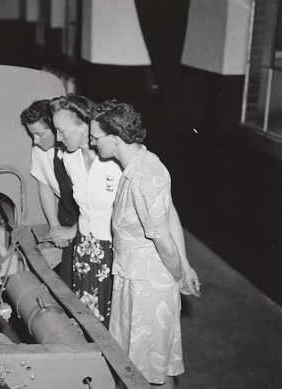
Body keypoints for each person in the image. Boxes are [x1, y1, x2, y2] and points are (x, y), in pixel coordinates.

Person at [90, 100, 200, 388]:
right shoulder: (140, 164)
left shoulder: (144, 175)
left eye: (95, 137)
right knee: (140, 364)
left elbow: (164, 243)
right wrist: (186, 265)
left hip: (148, 285)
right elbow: (170, 211)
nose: (92, 143)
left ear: (114, 139)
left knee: (153, 371)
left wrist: (179, 274)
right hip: (132, 277)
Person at [49, 93, 123, 327]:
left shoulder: (114, 160)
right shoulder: (70, 160)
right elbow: (85, 205)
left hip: (115, 249)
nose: (58, 138)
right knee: (87, 316)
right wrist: (74, 230)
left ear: (83, 128)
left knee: (113, 317)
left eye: (62, 131)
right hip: (85, 249)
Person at [20, 100, 79, 288]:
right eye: (32, 135)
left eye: (39, 134)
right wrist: (55, 227)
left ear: (56, 130)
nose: (35, 141)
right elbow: (44, 186)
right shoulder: (40, 151)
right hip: (68, 215)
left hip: (90, 219)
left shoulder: (77, 153)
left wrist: (74, 231)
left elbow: (94, 202)